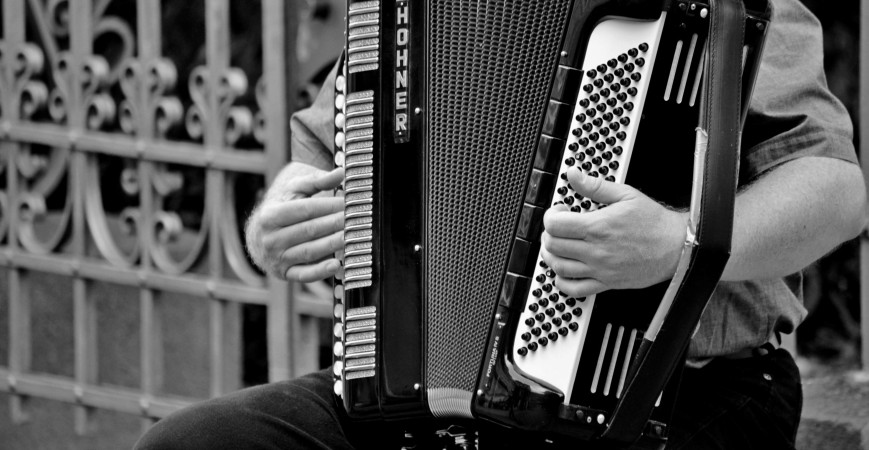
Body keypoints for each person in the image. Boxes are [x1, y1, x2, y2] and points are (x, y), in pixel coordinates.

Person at [134, 0, 867, 448]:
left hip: (684, 394)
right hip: (425, 395)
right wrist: (279, 218)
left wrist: (675, 245)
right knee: (193, 441)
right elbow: (323, 153)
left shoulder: (721, 0)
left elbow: (834, 191)